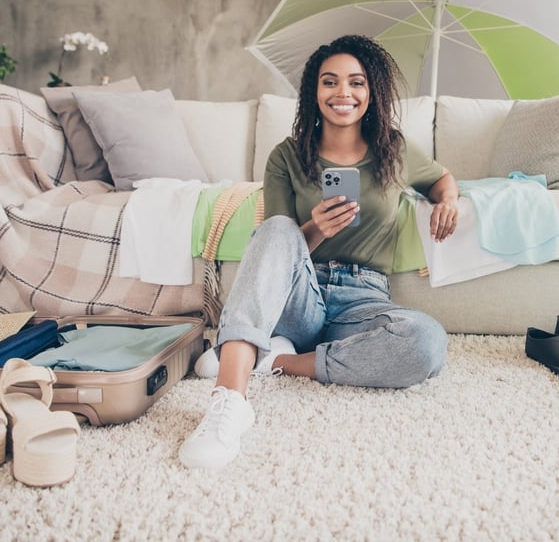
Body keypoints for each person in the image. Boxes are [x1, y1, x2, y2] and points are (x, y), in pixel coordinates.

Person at [179, 34, 460, 470]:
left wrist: (448, 201)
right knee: (278, 227)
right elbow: (277, 245)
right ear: (314, 91)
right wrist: (315, 228)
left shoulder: (396, 150)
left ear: (372, 91)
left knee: (426, 342)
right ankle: (230, 400)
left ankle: (277, 359)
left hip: (362, 301)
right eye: (330, 82)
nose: (343, 92)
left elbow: (441, 178)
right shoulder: (287, 156)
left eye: (356, 82)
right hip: (300, 296)